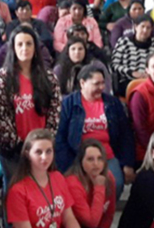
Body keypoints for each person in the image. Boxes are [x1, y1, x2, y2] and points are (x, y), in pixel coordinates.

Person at [55, 64, 135, 199]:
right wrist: (66, 167)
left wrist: (128, 164)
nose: (102, 88)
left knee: (116, 184)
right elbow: (60, 137)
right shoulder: (68, 103)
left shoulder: (113, 103)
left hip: (107, 155)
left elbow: (125, 134)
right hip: (77, 156)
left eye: (103, 83)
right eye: (96, 84)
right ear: (82, 83)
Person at [0, 27, 60, 177]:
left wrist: (43, 144)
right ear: (13, 48)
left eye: (29, 44)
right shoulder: (2, 78)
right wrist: (21, 147)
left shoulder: (49, 77)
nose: (25, 48)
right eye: (20, 44)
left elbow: (55, 113)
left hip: (42, 150)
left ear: (35, 48)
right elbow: (1, 115)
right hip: (13, 151)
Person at [65, 139, 124, 228]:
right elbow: (90, 221)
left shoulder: (108, 177)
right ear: (81, 161)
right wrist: (99, 188)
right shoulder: (73, 183)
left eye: (99, 159)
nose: (96, 164)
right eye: (90, 159)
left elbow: (109, 213)